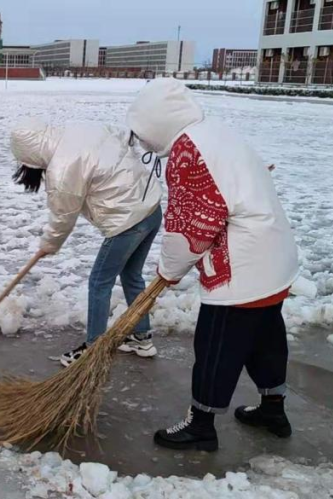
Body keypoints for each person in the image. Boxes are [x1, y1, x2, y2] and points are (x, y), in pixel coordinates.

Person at [126, 79, 299, 452]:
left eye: (142, 132)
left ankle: (201, 425)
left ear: (156, 122)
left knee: (216, 346)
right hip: (274, 258)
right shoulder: (215, 132)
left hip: (243, 269)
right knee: (265, 338)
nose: (142, 141)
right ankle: (273, 410)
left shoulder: (189, 151)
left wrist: (168, 271)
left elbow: (192, 228)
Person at [10, 120, 163, 367]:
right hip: (152, 208)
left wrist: (49, 244)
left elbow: (63, 216)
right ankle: (141, 337)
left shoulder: (62, 167)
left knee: (99, 282)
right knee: (132, 276)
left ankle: (93, 349)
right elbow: (127, 136)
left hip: (127, 222)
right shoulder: (84, 129)